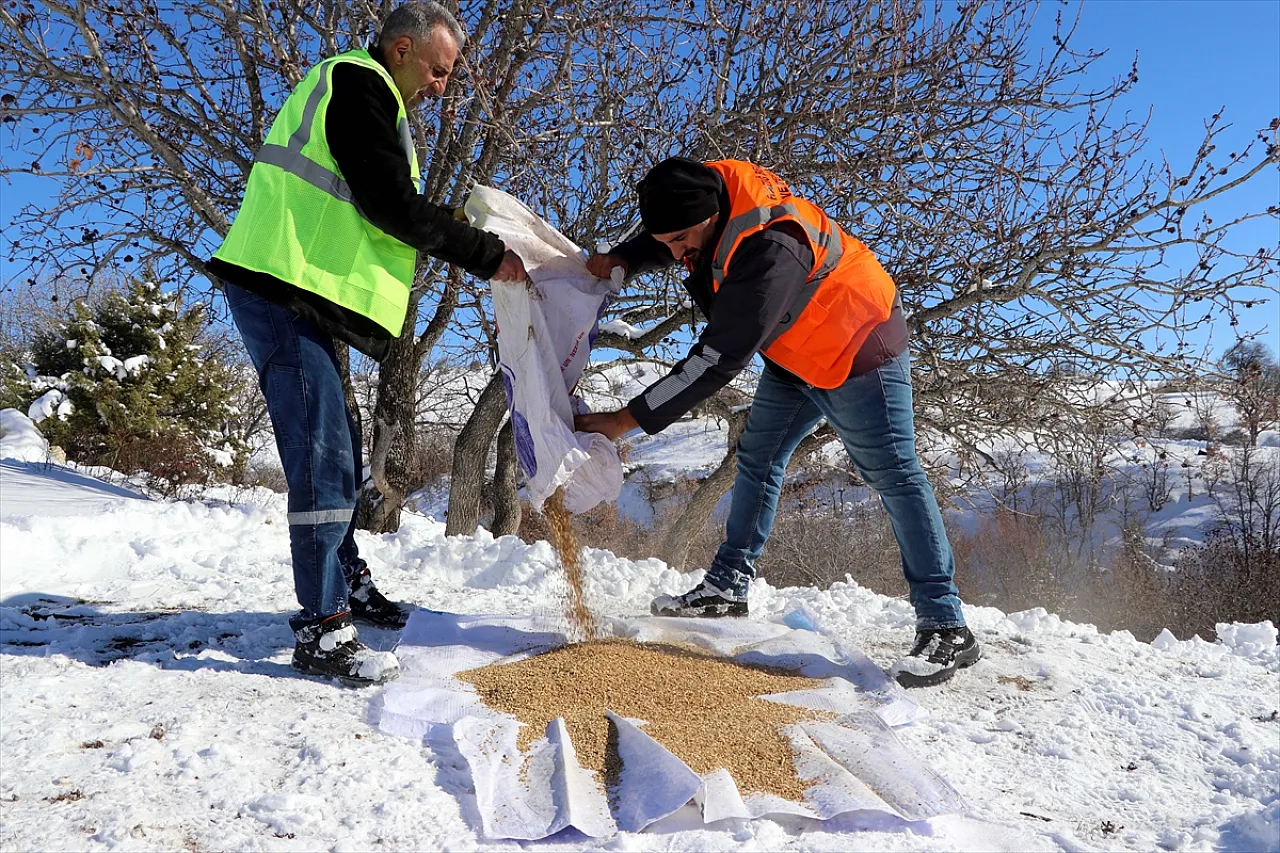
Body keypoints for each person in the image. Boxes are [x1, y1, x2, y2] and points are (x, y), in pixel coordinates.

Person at [208, 2, 526, 686]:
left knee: (341, 443)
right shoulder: (359, 85)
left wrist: (461, 231)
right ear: (403, 48)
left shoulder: (370, 96)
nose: (442, 86)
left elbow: (365, 203)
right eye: (439, 71)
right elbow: (388, 205)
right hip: (278, 287)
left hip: (298, 291)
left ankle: (344, 580)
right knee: (322, 453)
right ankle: (323, 627)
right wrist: (486, 254)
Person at [576, 158, 979, 687]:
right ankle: (727, 587)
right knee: (758, 457)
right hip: (797, 351)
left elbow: (716, 358)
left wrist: (623, 420)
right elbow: (670, 234)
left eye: (680, 241)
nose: (675, 254)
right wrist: (624, 257)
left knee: (894, 474)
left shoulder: (772, 249)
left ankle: (946, 625)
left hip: (857, 346)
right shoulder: (703, 191)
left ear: (710, 216)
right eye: (665, 242)